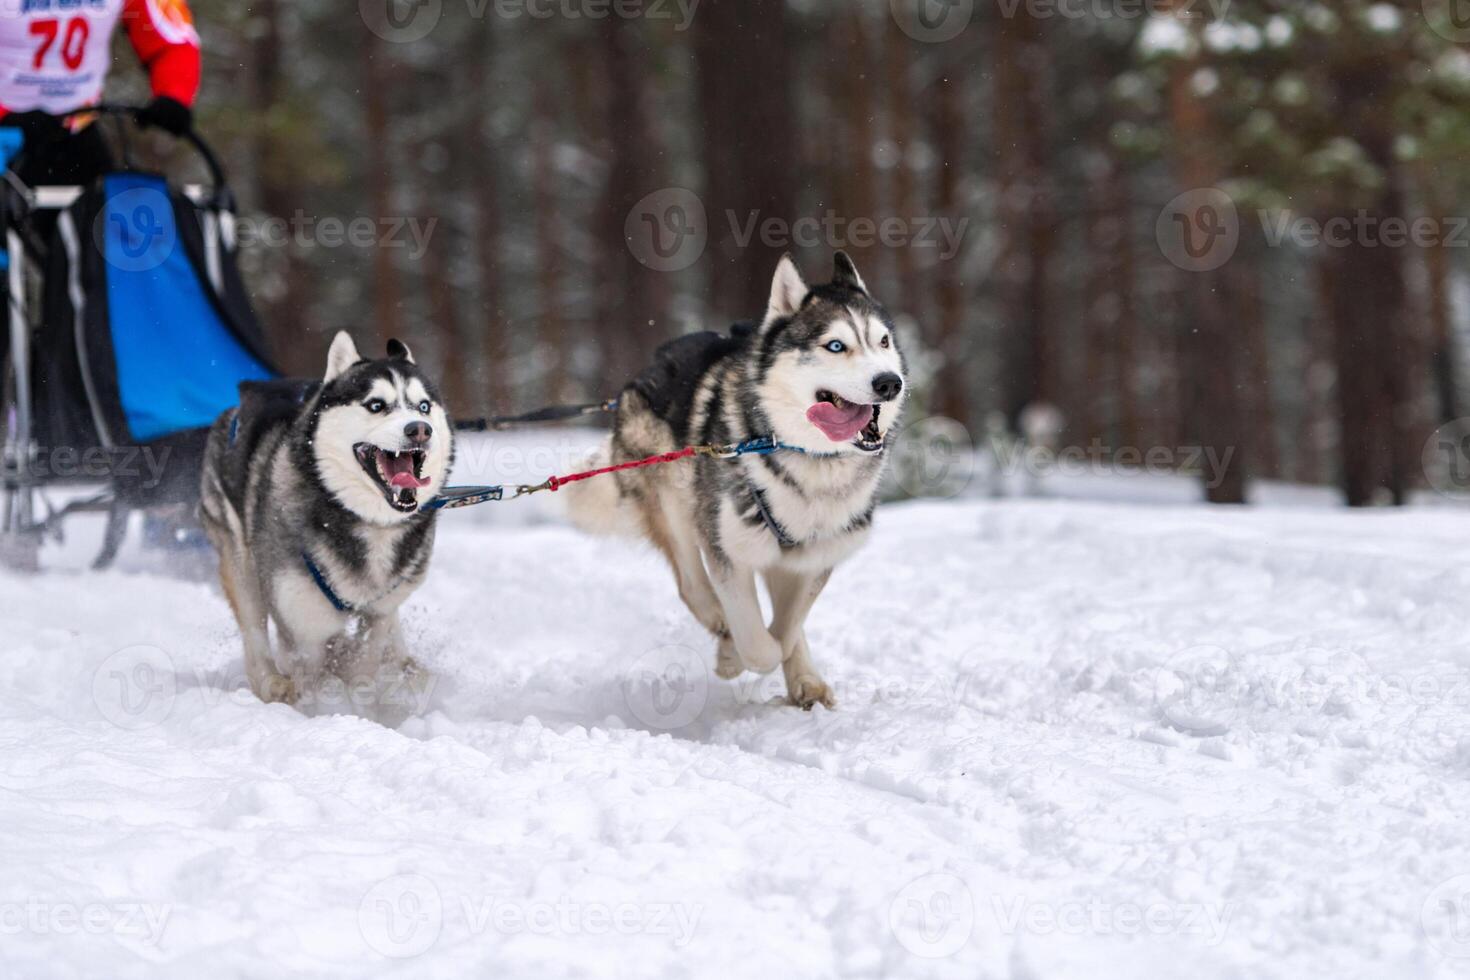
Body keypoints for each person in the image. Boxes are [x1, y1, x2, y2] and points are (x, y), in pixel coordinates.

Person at [0, 0, 200, 187]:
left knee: (107, 214)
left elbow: (173, 40)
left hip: (76, 132)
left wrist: (173, 95)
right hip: (6, 134)